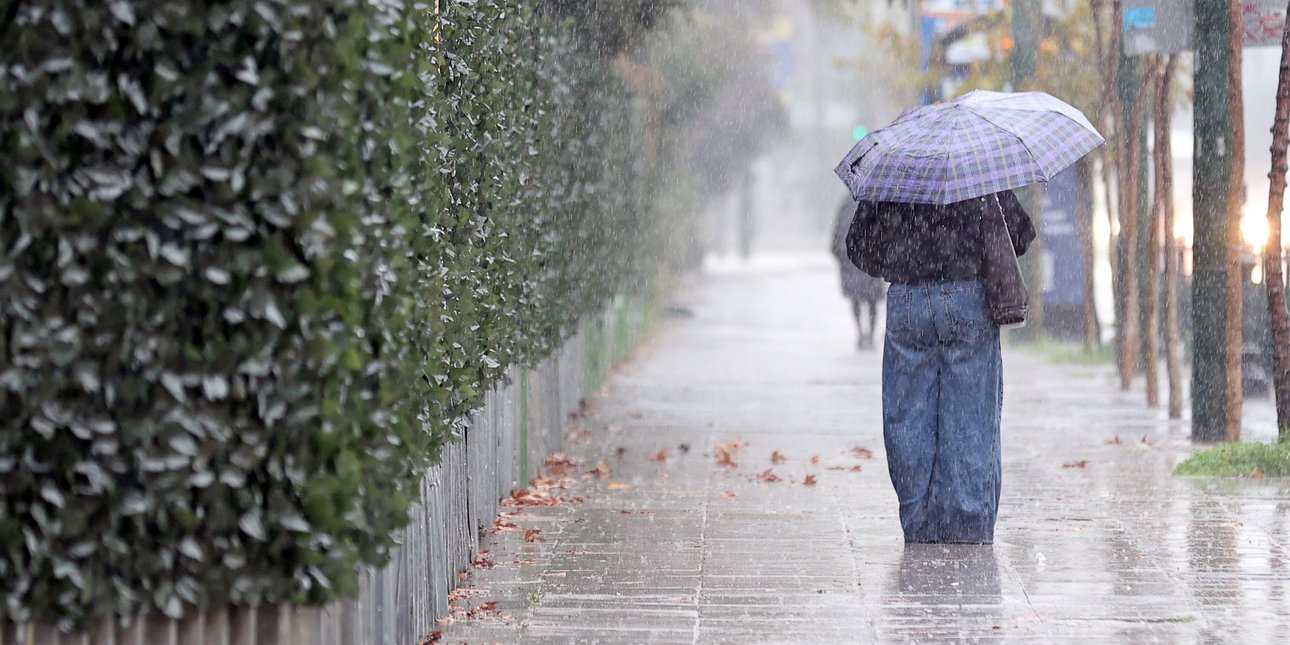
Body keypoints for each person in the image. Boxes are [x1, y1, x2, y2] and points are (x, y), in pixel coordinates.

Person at [845, 191, 1035, 545]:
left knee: (908, 414)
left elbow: (857, 245)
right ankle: (966, 523)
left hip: (907, 299)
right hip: (968, 299)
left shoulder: (899, 171)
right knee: (971, 413)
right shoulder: (977, 169)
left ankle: (919, 521)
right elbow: (1021, 234)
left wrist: (901, 263)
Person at [831, 198, 886, 349]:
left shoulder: (846, 206)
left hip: (851, 258)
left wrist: (840, 254)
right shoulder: (875, 203)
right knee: (871, 299)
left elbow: (836, 235)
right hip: (869, 258)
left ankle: (861, 332)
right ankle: (870, 334)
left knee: (857, 298)